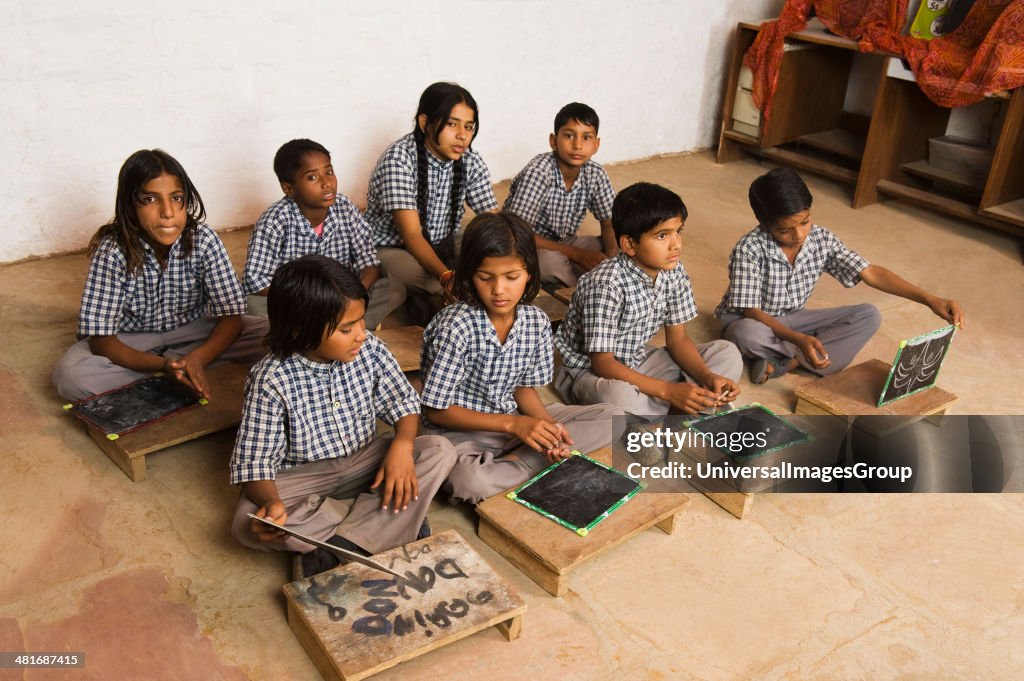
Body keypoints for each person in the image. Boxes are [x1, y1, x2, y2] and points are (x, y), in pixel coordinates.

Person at [229, 255, 456, 577]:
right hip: (307, 475)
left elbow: (404, 404)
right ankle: (388, 521)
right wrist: (272, 504)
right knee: (246, 522)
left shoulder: (371, 349)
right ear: (300, 329)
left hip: (365, 461)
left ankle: (337, 545)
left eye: (362, 321)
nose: (361, 334)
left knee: (438, 450)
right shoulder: (270, 378)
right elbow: (256, 461)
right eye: (347, 328)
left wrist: (403, 446)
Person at [419, 212, 622, 504]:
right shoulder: (455, 327)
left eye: (511, 277)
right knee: (468, 482)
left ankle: (521, 461)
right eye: (485, 277)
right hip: (463, 432)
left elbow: (523, 390)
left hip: (515, 419)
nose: (499, 290)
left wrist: (547, 430)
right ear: (468, 275)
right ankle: (526, 463)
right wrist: (515, 427)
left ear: (529, 273)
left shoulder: (536, 321)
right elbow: (437, 411)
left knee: (614, 417)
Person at [714, 167, 965, 383]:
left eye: (805, 222)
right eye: (785, 230)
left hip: (793, 318)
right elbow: (751, 311)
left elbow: (871, 272)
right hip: (755, 320)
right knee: (743, 334)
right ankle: (800, 355)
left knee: (868, 315)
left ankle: (785, 362)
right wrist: (799, 339)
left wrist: (929, 299)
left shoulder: (821, 239)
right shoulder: (749, 248)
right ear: (764, 224)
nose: (799, 235)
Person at [53, 149, 267, 401]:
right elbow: (103, 341)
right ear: (130, 205)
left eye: (176, 198)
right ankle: (175, 371)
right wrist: (163, 365)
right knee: (71, 377)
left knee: (278, 337)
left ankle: (187, 368)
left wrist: (197, 357)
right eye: (151, 199)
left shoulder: (204, 239)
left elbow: (230, 318)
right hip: (132, 340)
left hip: (196, 331)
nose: (167, 212)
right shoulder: (112, 251)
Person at [554, 182, 742, 418]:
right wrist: (668, 390)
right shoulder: (606, 285)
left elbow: (678, 340)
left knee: (727, 353)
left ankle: (676, 406)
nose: (676, 244)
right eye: (662, 235)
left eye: (678, 231)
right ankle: (684, 408)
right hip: (588, 373)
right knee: (617, 397)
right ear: (629, 244)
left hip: (637, 361)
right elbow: (603, 363)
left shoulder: (673, 271)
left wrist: (707, 376)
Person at [364, 82, 498, 315]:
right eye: (451, 124)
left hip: (444, 242)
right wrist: (447, 276)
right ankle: (455, 290)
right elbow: (412, 235)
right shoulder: (399, 159)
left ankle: (465, 287)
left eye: (468, 126)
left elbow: (494, 220)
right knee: (414, 273)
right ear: (424, 123)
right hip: (392, 248)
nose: (462, 136)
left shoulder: (470, 160)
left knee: (486, 249)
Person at [242, 138, 405, 329]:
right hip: (300, 302)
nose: (327, 183)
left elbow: (368, 263)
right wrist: (311, 297)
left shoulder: (345, 208)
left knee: (394, 289)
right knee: (252, 304)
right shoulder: (275, 220)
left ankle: (338, 329)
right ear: (288, 188)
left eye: (329, 172)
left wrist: (350, 296)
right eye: (312, 177)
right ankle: (341, 329)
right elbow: (254, 280)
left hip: (343, 300)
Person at [503, 102, 617, 287]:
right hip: (528, 245)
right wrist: (577, 255)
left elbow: (609, 221)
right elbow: (517, 232)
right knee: (549, 264)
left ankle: (606, 280)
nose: (577, 145)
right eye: (569, 136)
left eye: (586, 137)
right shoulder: (539, 172)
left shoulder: (595, 173)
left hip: (566, 242)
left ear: (596, 145)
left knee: (616, 245)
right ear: (553, 141)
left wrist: (613, 258)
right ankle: (584, 290)